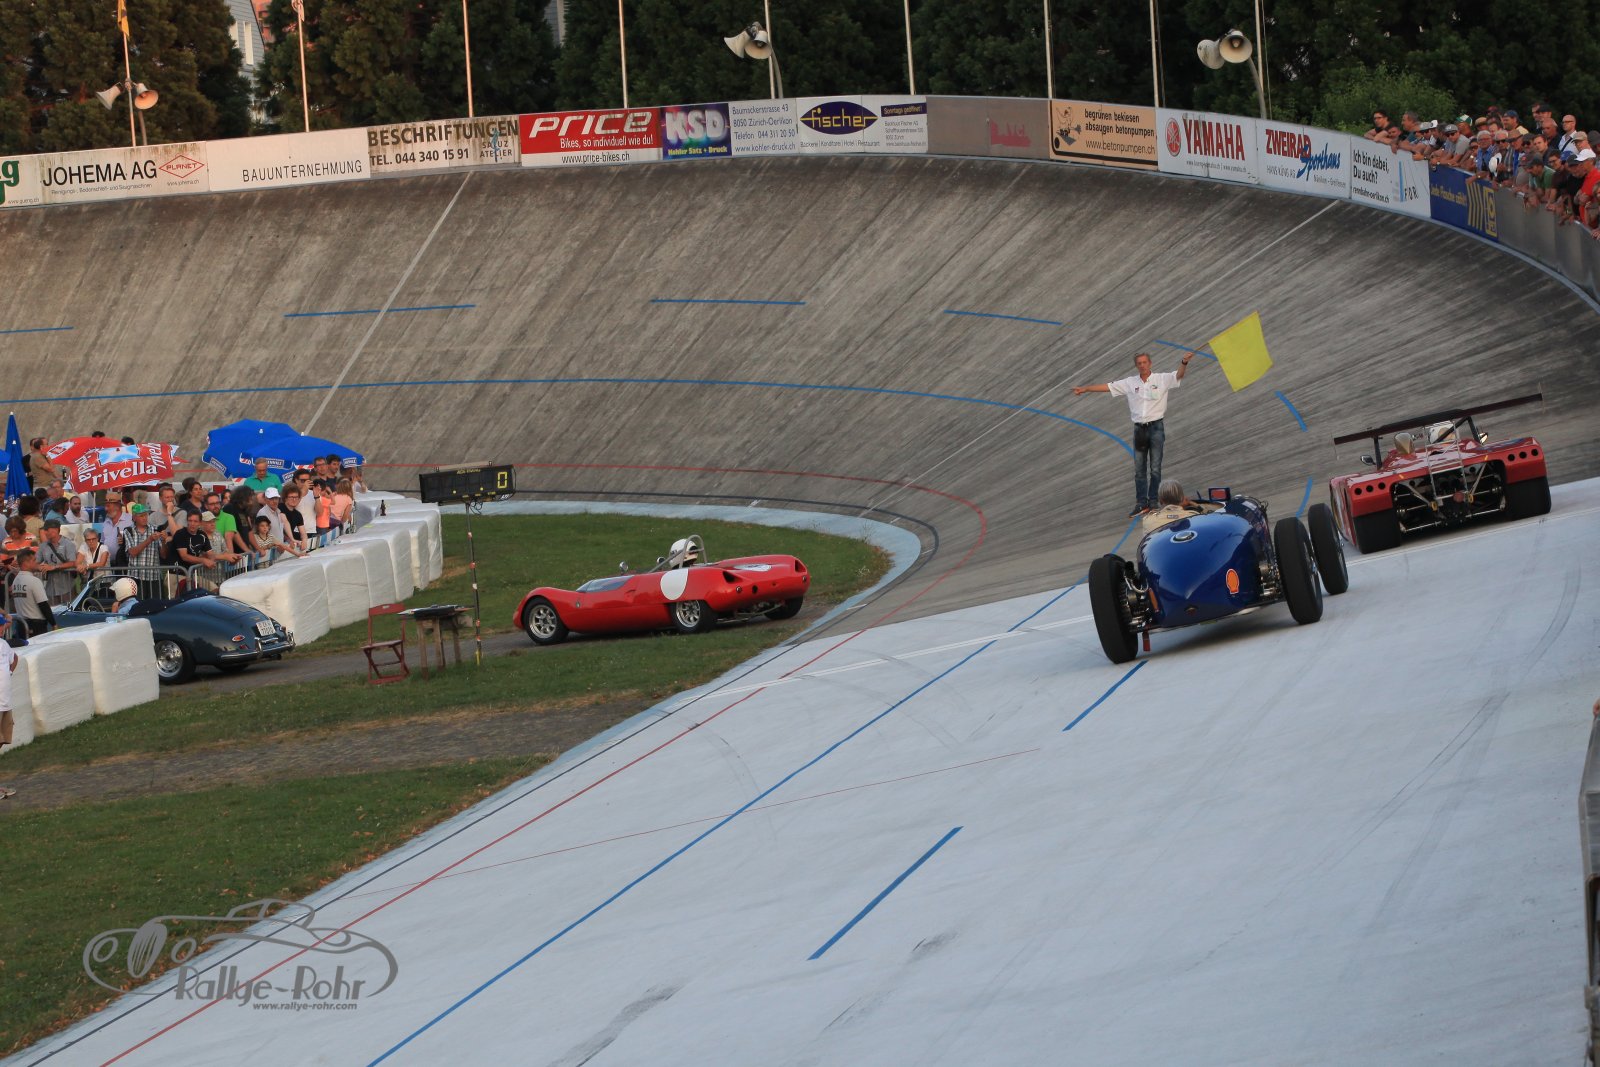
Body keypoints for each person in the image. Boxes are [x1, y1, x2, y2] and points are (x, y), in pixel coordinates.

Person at [1073, 350, 1196, 515]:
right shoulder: (1130, 382)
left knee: (1155, 468)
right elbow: (1109, 387)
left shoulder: (1161, 379)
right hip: (1139, 430)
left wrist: (1184, 362)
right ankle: (1141, 503)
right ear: (1136, 366)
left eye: (1145, 362)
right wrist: (1086, 388)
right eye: (1139, 363)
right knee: (1139, 469)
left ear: (1150, 363)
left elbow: (1179, 375)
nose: (1142, 365)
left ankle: (1153, 502)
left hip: (1156, 428)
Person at [121, 503, 169, 600]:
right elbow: (133, 552)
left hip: (154, 576)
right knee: (137, 606)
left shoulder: (155, 529)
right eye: (141, 516)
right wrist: (149, 539)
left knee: (156, 607)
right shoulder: (128, 531)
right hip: (136, 577)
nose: (145, 518)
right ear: (134, 517)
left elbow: (164, 555)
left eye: (146, 515)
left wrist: (164, 541)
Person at [10, 549, 56, 636]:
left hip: (21, 624)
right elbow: (43, 605)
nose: (37, 562)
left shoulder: (16, 580)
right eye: (34, 560)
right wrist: (54, 624)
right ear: (25, 563)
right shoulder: (34, 581)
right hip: (36, 626)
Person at [35, 518, 79, 606]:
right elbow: (36, 561)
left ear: (55, 530)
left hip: (66, 587)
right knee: (53, 612)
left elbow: (73, 562)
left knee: (69, 610)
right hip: (50, 588)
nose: (45, 532)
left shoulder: (68, 544)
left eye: (47, 530)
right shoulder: (43, 546)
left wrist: (54, 567)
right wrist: (40, 567)